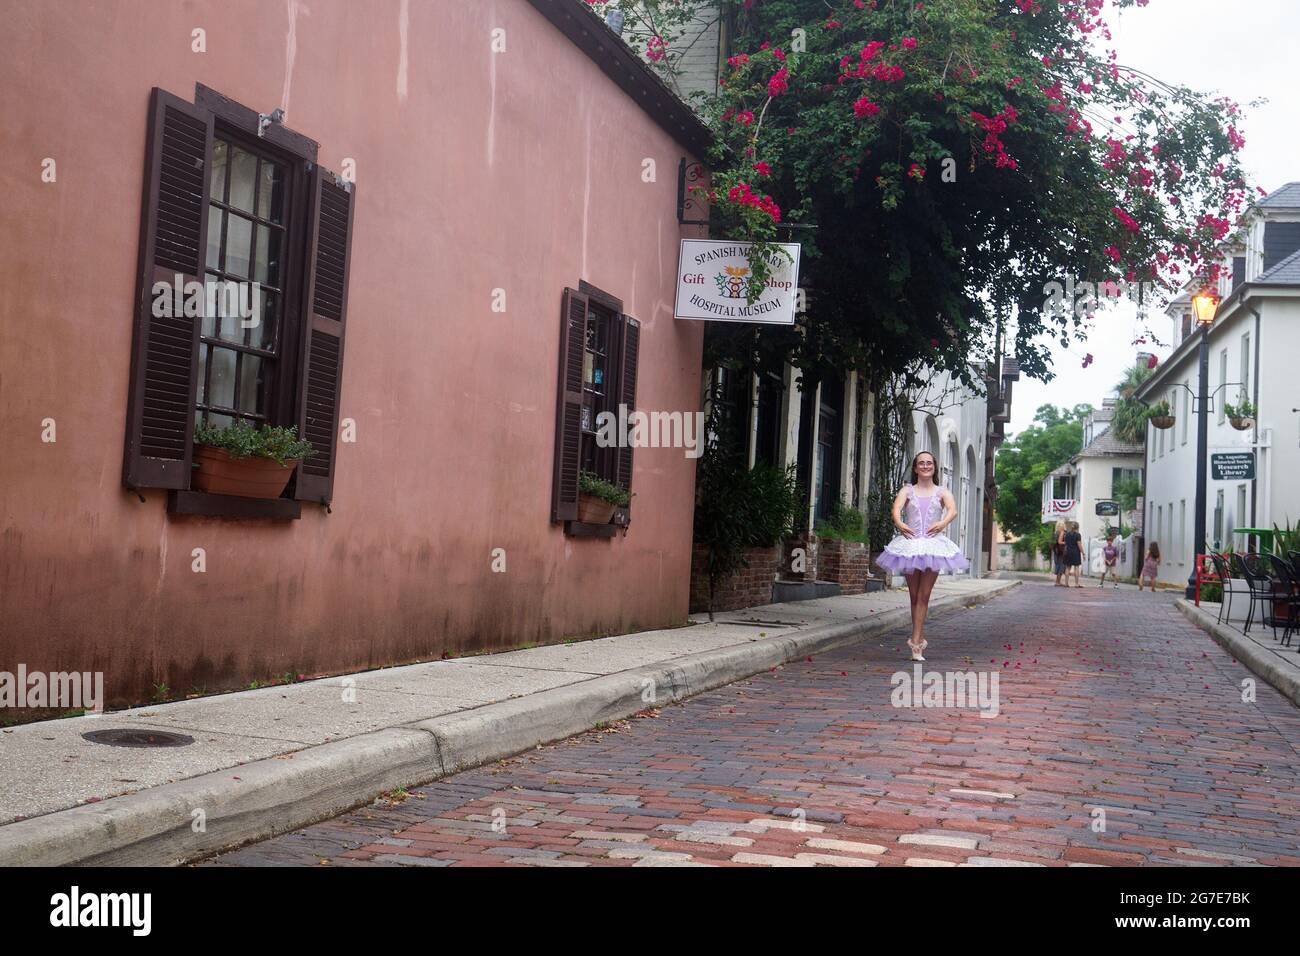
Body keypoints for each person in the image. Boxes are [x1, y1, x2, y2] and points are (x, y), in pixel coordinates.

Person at [876, 451, 970, 661]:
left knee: (924, 595)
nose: (926, 466)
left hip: (933, 548)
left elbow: (953, 510)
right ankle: (917, 636)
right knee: (914, 595)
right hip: (911, 546)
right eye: (922, 463)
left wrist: (943, 523)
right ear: (916, 468)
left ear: (934, 467)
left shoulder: (941, 491)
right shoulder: (907, 490)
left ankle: (916, 642)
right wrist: (900, 524)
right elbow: (896, 508)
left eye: (929, 463)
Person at [1063, 520, 1083, 588]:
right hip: (1075, 553)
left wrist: (1065, 552)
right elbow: (1079, 545)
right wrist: (1083, 553)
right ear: (1077, 527)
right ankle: (1076, 584)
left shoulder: (1067, 534)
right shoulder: (1078, 535)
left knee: (1068, 567)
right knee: (1076, 567)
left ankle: (1066, 583)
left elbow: (1065, 545)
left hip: (1068, 552)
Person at [1052, 519, 1067, 586]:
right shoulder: (1062, 532)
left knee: (1058, 565)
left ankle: (1057, 581)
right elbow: (1059, 542)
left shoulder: (1055, 532)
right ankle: (1058, 582)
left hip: (1056, 551)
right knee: (1061, 566)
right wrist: (1066, 542)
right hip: (1061, 552)